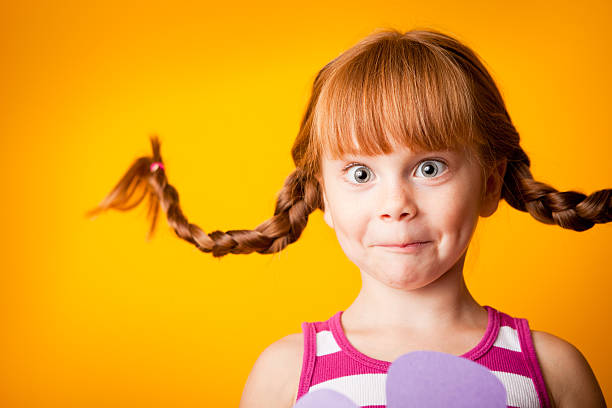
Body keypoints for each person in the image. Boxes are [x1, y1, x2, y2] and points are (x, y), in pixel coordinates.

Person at [87, 28, 609, 407]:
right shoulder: (285, 377)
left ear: (490, 185)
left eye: (429, 167)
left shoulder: (552, 372)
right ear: (324, 199)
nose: (395, 202)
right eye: (360, 174)